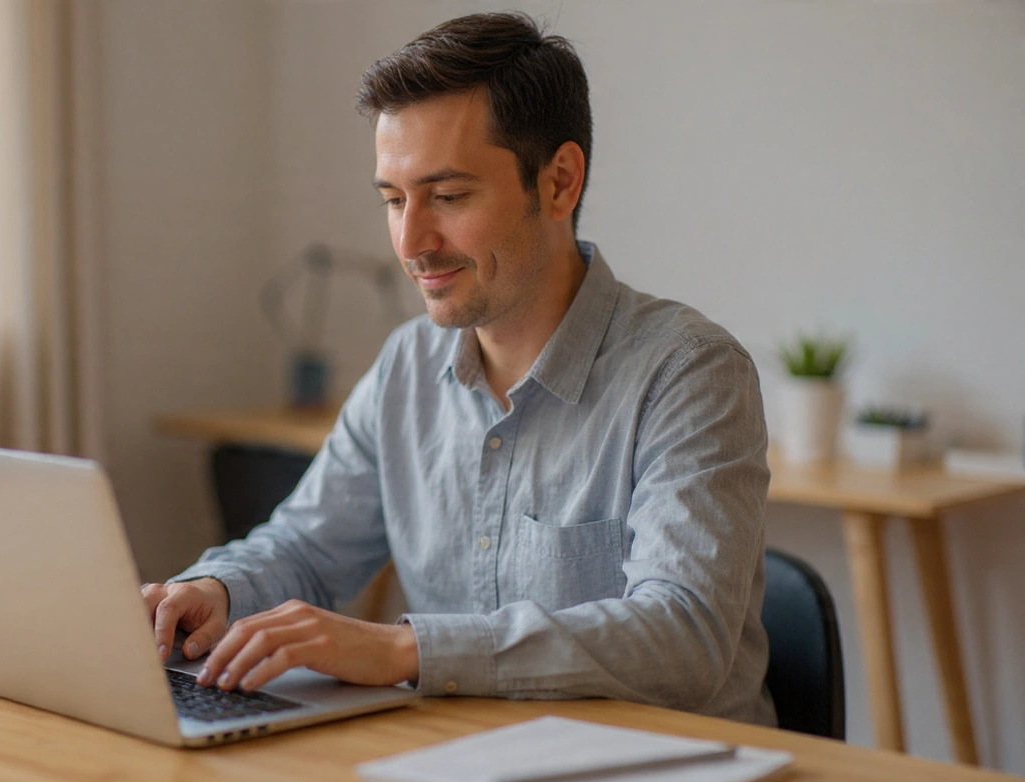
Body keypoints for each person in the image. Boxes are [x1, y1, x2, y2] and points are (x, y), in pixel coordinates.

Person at [141, 11, 774, 725]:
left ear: (560, 182)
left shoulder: (690, 373)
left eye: (447, 197)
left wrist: (405, 650)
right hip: (464, 762)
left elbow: (685, 637)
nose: (411, 242)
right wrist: (216, 590)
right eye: (392, 200)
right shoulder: (408, 365)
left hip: (670, 773)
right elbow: (309, 547)